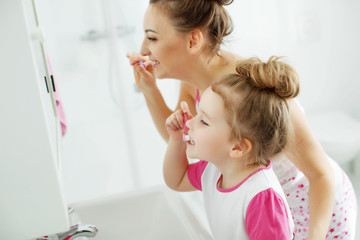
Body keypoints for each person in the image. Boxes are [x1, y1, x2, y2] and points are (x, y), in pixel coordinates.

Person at [126, 0, 357, 239]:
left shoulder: (248, 88)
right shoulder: (192, 79)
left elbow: (321, 175)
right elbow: (185, 139)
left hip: (316, 213)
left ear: (193, 41)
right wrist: (149, 90)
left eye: (152, 38)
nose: (143, 49)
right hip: (262, 210)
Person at [164, 56, 296, 239]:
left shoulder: (261, 198)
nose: (190, 123)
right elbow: (176, 181)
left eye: (203, 120)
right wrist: (176, 139)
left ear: (238, 147)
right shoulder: (214, 169)